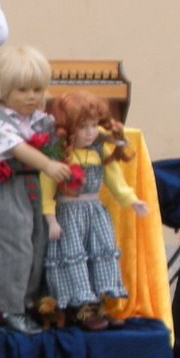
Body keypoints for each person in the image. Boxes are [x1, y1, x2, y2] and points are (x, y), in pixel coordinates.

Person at [0, 46, 72, 334]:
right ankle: (10, 307)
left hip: (34, 189)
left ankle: (30, 301)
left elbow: (59, 139)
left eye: (38, 89)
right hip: (6, 190)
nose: (32, 96)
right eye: (23, 90)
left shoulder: (42, 120)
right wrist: (48, 165)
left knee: (37, 243)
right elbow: (17, 147)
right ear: (2, 89)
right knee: (12, 246)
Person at [41, 91, 150, 329]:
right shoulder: (59, 155)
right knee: (75, 259)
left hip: (94, 212)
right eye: (83, 127)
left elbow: (116, 181)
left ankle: (99, 305)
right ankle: (81, 310)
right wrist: (51, 220)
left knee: (99, 255)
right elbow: (46, 191)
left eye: (93, 126)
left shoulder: (99, 150)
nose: (91, 132)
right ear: (68, 128)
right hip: (69, 216)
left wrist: (132, 200)